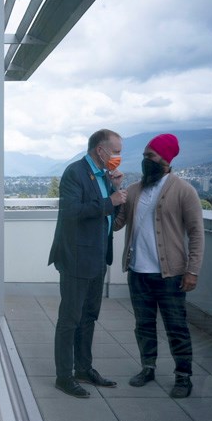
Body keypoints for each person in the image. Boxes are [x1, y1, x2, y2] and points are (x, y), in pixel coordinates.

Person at [114, 133, 204, 398]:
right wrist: (113, 192)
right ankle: (148, 367)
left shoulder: (184, 190)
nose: (145, 161)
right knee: (143, 325)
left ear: (165, 159)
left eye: (150, 156)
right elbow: (117, 224)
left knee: (176, 327)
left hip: (171, 275)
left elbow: (196, 232)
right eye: (143, 156)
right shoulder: (133, 190)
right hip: (138, 272)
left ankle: (183, 376)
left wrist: (193, 270)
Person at [48, 129, 126, 398]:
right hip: (76, 259)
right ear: (100, 150)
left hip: (97, 258)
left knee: (89, 317)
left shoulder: (104, 175)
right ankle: (63, 377)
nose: (118, 157)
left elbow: (108, 218)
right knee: (70, 319)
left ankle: (84, 368)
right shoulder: (75, 172)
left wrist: (114, 191)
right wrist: (110, 201)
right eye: (115, 151)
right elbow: (71, 212)